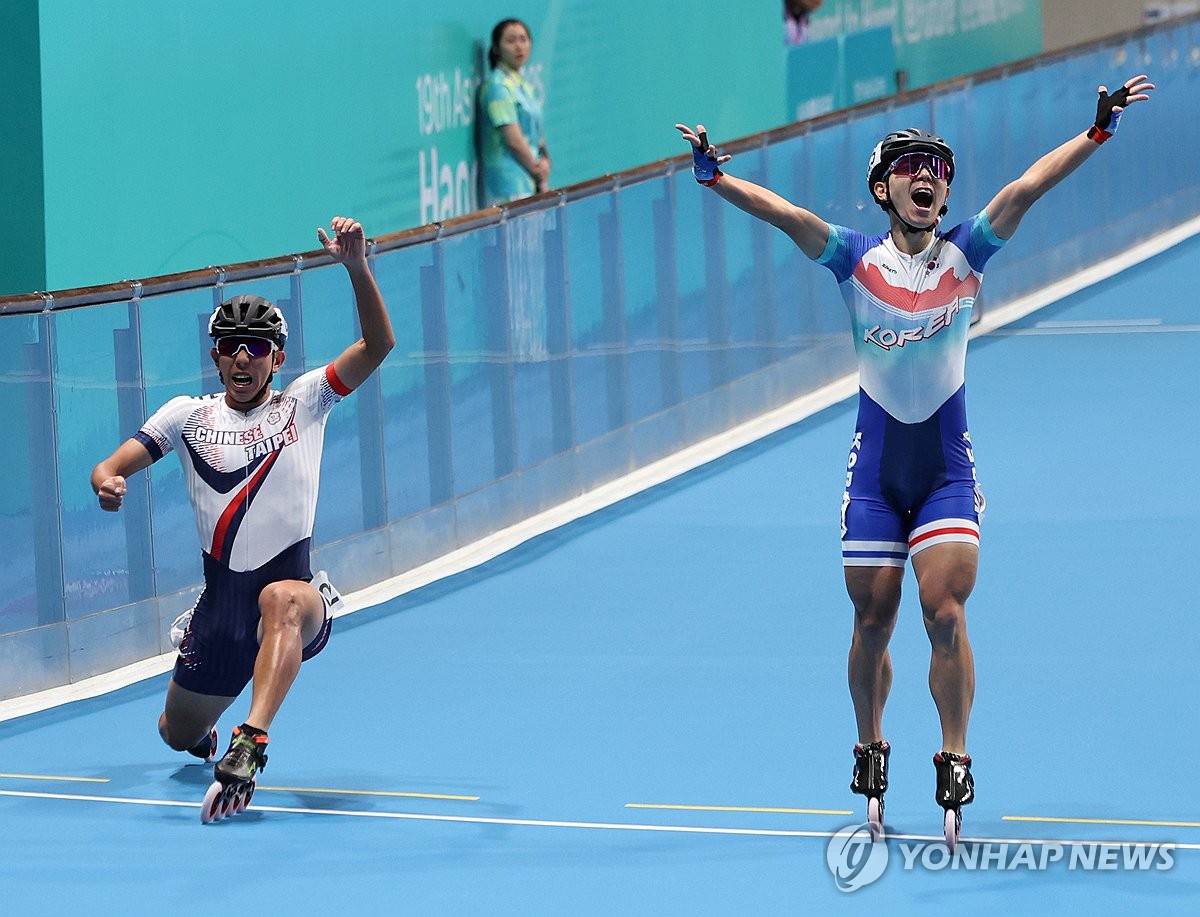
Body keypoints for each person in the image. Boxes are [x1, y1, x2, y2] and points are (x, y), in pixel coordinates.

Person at [676, 73, 1154, 841]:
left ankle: (954, 753)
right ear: (882, 189)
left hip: (944, 474)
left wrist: (1095, 132)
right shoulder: (853, 258)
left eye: (936, 167)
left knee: (946, 613)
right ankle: (870, 745)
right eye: (909, 166)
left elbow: (1028, 186)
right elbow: (786, 215)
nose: (926, 175)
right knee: (872, 619)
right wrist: (716, 175)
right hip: (873, 475)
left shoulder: (969, 250)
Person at [91, 216, 395, 819]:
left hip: (293, 601)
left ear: (276, 357)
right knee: (174, 734)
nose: (242, 357)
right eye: (230, 346)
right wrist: (107, 480)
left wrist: (357, 267)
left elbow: (377, 345)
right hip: (220, 614)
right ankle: (206, 735)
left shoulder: (306, 401)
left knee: (283, 598)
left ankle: (250, 742)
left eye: (255, 347)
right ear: (215, 356)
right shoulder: (187, 415)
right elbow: (113, 462)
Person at [479, 18, 550, 206]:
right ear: (496, 48)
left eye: (523, 39)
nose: (519, 46)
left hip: (530, 180)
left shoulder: (524, 85)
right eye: (511, 41)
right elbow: (513, 140)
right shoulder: (498, 87)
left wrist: (544, 162)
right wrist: (536, 170)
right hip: (509, 185)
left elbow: (537, 134)